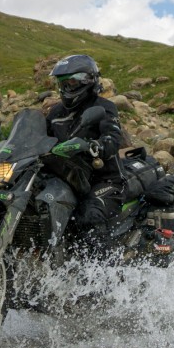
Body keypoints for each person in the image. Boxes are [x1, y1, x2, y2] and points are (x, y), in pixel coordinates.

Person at [45, 54, 125, 235]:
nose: (66, 87)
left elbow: (113, 137)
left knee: (87, 217)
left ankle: (101, 263)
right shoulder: (55, 112)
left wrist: (97, 146)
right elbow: (42, 137)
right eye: (62, 83)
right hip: (68, 178)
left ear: (88, 80)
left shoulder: (104, 107)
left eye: (71, 82)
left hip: (104, 180)